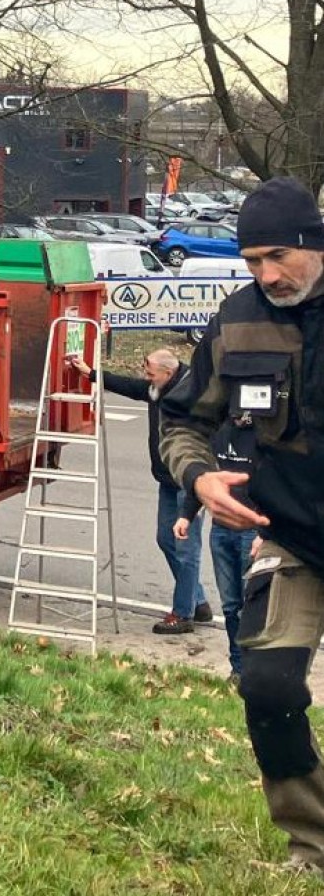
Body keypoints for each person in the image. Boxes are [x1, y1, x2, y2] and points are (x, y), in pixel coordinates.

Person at [160, 176, 324, 871]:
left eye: (277, 256)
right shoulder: (237, 318)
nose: (265, 274)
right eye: (252, 260)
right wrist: (198, 477)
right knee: (266, 685)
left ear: (314, 244)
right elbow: (181, 417)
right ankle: (311, 844)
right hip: (291, 538)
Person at [70, 346, 209, 633]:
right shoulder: (158, 386)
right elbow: (134, 388)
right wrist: (93, 374)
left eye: (151, 373)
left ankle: (183, 615)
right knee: (165, 539)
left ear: (168, 373)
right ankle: (198, 601)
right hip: (166, 479)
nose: (147, 377)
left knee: (186, 548)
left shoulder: (192, 392)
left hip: (189, 482)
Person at [172, 421, 258, 677]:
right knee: (231, 605)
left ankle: (255, 671)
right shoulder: (217, 432)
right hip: (221, 530)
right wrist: (186, 515)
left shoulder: (263, 435)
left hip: (252, 529)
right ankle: (238, 669)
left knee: (251, 606)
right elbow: (205, 478)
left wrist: (265, 532)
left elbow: (277, 484)